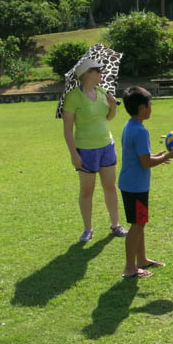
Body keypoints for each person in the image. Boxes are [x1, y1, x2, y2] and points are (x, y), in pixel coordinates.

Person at [117, 87, 173, 279]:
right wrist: (167, 156)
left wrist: (157, 156)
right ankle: (130, 268)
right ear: (142, 108)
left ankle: (142, 260)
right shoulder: (140, 132)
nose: (151, 108)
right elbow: (145, 163)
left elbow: (140, 157)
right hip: (135, 187)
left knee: (140, 223)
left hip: (132, 184)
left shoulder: (130, 125)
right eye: (150, 104)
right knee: (137, 225)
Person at [61, 57, 127, 243]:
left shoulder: (102, 91)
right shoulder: (73, 97)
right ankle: (87, 229)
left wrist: (113, 106)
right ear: (87, 74)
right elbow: (67, 130)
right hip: (86, 150)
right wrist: (74, 154)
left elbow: (109, 117)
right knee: (87, 191)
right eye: (97, 70)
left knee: (110, 187)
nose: (101, 73)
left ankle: (115, 225)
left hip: (107, 145)